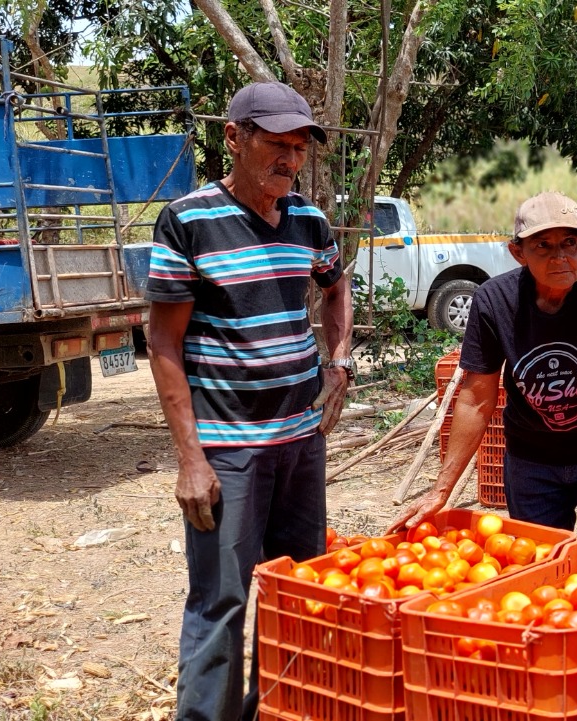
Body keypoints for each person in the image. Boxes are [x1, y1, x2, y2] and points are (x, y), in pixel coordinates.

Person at [146, 81, 352, 721]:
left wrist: (338, 359)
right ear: (233, 138)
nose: (289, 161)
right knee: (220, 601)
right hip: (228, 451)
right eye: (276, 145)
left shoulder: (309, 220)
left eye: (298, 149)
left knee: (297, 593)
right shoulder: (188, 221)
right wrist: (190, 459)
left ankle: (277, 711)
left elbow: (336, 286)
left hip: (300, 443)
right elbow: (163, 344)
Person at [389, 192, 577, 566]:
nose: (560, 256)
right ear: (517, 252)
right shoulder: (495, 301)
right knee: (535, 569)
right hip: (531, 463)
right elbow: (475, 400)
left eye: (570, 243)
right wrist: (441, 491)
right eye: (543, 245)